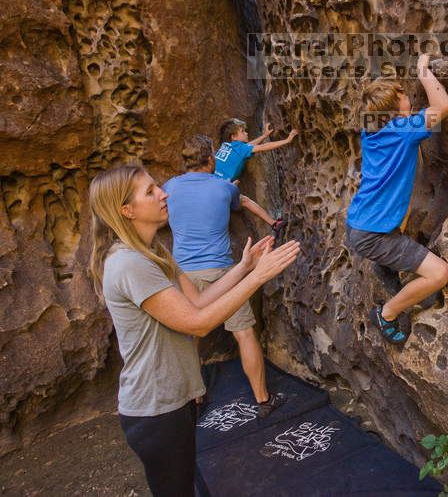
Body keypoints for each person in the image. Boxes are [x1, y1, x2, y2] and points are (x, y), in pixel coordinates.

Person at [89, 164, 300, 497]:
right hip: (154, 409)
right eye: (150, 192)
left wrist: (245, 268)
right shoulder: (129, 263)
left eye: (156, 186)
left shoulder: (153, 252)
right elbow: (198, 323)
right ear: (126, 211)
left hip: (174, 400)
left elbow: (198, 302)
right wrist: (259, 279)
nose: (163, 193)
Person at [163, 134, 286, 417]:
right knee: (244, 333)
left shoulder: (169, 187)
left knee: (189, 338)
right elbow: (235, 204)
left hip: (183, 273)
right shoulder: (223, 187)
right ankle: (263, 399)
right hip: (221, 272)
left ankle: (194, 398)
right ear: (210, 160)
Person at [345, 54, 448, 345]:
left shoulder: (371, 134)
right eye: (403, 94)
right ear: (395, 108)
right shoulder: (404, 133)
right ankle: (387, 313)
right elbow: (443, 106)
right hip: (373, 236)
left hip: (360, 224)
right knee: (440, 273)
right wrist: (423, 71)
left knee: (400, 233)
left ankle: (387, 263)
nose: (408, 96)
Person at [214, 116, 298, 237]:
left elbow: (249, 146)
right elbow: (262, 148)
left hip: (211, 186)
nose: (246, 133)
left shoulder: (226, 146)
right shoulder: (241, 149)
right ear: (233, 137)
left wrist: (264, 136)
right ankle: (274, 224)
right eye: (242, 131)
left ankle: (275, 224)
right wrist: (287, 140)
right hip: (221, 189)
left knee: (244, 200)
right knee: (243, 201)